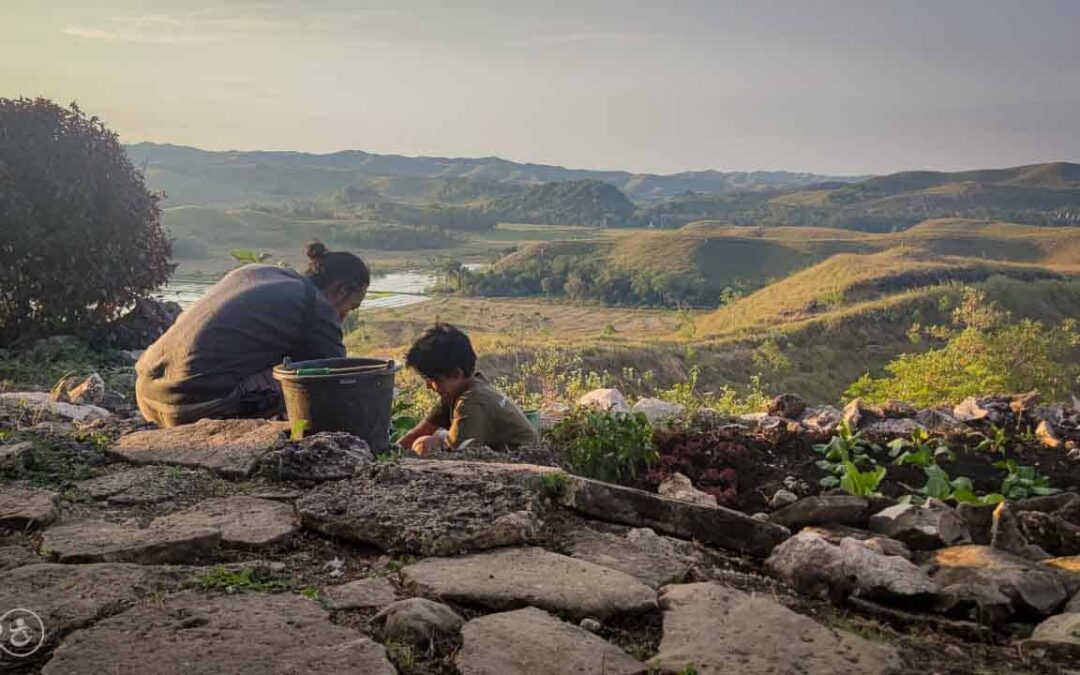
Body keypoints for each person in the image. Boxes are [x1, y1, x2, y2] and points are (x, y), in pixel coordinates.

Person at [135, 243, 369, 427]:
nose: (344, 316)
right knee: (308, 383)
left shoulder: (260, 273)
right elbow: (339, 379)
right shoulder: (317, 307)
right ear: (342, 290)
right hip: (189, 408)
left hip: (146, 395)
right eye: (352, 307)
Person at [397, 323, 538, 453]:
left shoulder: (472, 402)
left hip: (521, 463)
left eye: (433, 379)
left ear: (457, 374)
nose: (428, 386)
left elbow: (459, 455)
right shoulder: (458, 390)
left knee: (425, 444)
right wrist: (392, 452)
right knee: (431, 437)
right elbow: (422, 430)